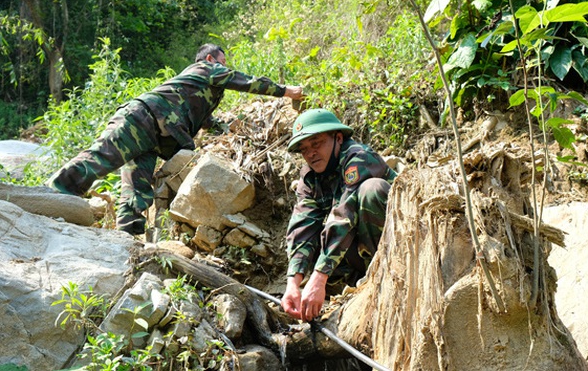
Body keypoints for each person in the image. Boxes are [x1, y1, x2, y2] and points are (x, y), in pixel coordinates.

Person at [47, 43, 303, 235]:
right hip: (142, 120)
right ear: (212, 59)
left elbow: (204, 120)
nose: (225, 68)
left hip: (155, 136)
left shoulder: (200, 89)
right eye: (223, 63)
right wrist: (286, 91)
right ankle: (52, 195)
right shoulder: (205, 68)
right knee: (101, 158)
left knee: (137, 193)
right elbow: (245, 82)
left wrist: (229, 128)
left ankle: (127, 240)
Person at [281, 108, 396, 322]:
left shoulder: (358, 157)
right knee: (315, 242)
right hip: (359, 255)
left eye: (316, 143)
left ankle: (387, 281)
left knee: (372, 190)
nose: (311, 153)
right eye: (304, 149)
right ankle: (357, 288)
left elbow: (345, 214)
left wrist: (319, 277)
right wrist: (293, 283)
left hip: (398, 245)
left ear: (338, 138)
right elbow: (302, 225)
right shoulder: (310, 178)